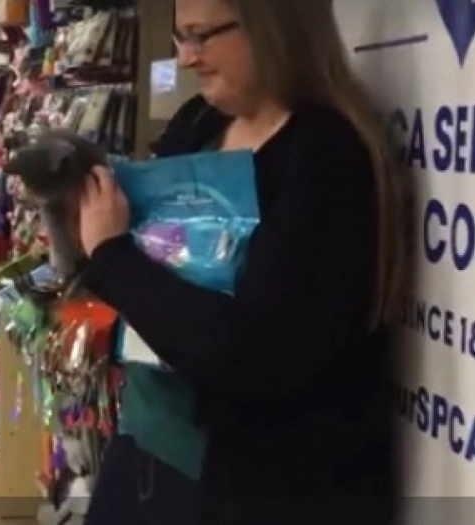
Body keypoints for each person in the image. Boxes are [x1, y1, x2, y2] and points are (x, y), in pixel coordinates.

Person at [77, 1, 405, 524]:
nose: (186, 59)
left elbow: (252, 354)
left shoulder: (326, 158)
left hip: (271, 483)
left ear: (270, 25)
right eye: (180, 38)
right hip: (157, 446)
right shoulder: (198, 122)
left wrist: (113, 259)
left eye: (201, 36)